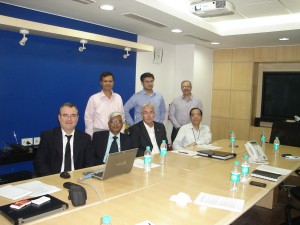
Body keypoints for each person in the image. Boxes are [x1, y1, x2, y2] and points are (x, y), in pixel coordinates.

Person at [34, 102, 92, 177]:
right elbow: (40, 162)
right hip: (53, 180)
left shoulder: (85, 138)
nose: (69, 119)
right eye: (65, 115)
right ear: (59, 117)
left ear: (77, 118)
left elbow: (90, 163)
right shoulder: (48, 136)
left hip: (78, 179)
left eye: (73, 116)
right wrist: (52, 179)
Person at [84, 71, 124, 136]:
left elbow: (122, 117)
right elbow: (88, 119)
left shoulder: (118, 97)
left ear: (113, 83)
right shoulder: (94, 98)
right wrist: (89, 136)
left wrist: (121, 133)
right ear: (101, 83)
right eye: (105, 81)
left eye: (110, 81)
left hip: (115, 133)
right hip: (98, 133)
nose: (108, 83)